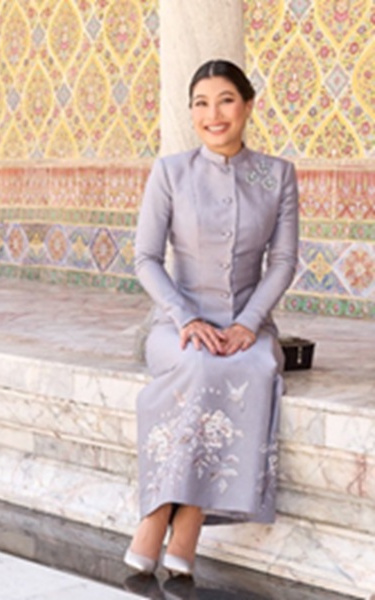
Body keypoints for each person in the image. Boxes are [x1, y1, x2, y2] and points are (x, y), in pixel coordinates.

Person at [124, 59, 299, 576]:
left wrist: (249, 322)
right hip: (178, 324)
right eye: (201, 103)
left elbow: (283, 261)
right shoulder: (171, 172)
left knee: (251, 368)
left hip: (249, 325)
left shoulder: (277, 175)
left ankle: (184, 514)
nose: (213, 114)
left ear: (247, 106)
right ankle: (165, 512)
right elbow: (145, 259)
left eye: (225, 100)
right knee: (199, 364)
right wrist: (184, 318)